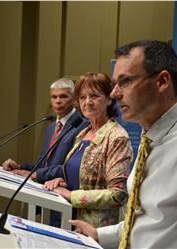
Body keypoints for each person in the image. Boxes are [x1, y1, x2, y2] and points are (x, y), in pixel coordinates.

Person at [69, 40, 177, 249]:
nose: (115, 93)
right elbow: (151, 224)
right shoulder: (149, 140)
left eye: (125, 82)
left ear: (162, 81)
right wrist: (99, 234)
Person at [44, 72, 133, 228]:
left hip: (95, 229)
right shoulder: (83, 133)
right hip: (67, 221)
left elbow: (117, 194)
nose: (88, 102)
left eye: (94, 96)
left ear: (109, 99)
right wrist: (63, 182)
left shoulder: (117, 137)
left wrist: (71, 195)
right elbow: (83, 178)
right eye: (82, 97)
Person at [2, 78, 88, 227]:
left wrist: (36, 174)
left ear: (74, 99)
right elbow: (43, 165)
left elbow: (71, 168)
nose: (58, 101)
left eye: (63, 96)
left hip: (65, 202)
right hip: (46, 198)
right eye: (54, 97)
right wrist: (21, 167)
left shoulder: (82, 125)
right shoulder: (51, 127)